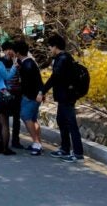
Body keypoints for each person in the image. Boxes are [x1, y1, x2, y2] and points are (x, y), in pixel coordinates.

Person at [40, 34, 84, 163]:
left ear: (55, 46)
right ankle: (65, 148)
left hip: (67, 97)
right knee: (61, 121)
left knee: (71, 124)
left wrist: (42, 91)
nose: (49, 49)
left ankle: (78, 153)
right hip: (62, 97)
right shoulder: (61, 58)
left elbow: (55, 77)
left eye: (50, 46)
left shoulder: (63, 59)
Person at [15, 40, 43, 155]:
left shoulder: (26, 65)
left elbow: (26, 84)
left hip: (29, 96)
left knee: (26, 117)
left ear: (18, 52)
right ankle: (38, 143)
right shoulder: (30, 63)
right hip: (35, 95)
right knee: (33, 119)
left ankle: (36, 143)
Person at [1, 41, 23, 149]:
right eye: (6, 50)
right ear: (3, 51)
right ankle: (2, 139)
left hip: (17, 92)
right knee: (3, 118)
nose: (9, 52)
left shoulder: (19, 61)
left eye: (11, 49)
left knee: (16, 118)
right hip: (5, 93)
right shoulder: (0, 62)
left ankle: (15, 140)